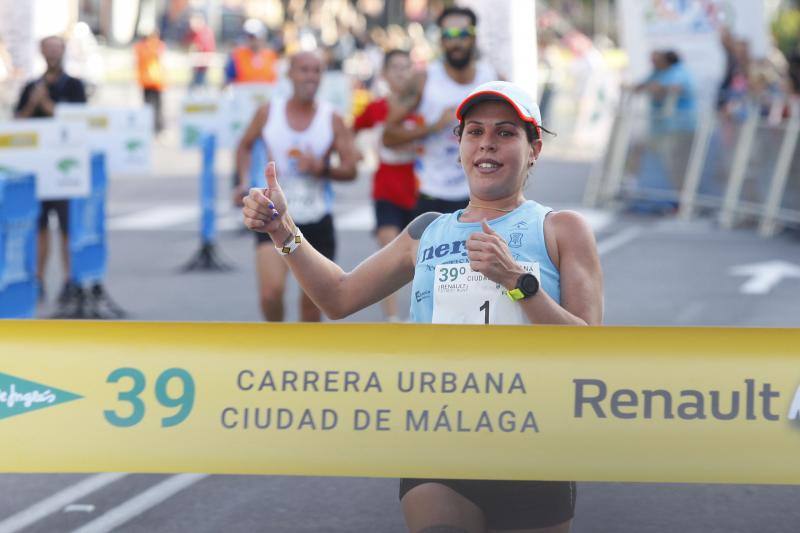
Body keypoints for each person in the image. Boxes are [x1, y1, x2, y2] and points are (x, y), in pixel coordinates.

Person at [242, 80, 603, 532]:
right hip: (440, 435)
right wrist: (283, 231)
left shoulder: (562, 229)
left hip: (533, 440)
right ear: (459, 148)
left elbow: (590, 350)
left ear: (534, 151)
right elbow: (338, 296)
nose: (487, 143)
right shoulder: (426, 231)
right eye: (475, 132)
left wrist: (517, 283)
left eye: (506, 133)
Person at [235, 51, 358, 322]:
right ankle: (276, 349)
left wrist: (321, 168)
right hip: (274, 221)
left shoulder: (332, 119)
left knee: (312, 307)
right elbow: (244, 146)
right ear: (289, 73)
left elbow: (351, 169)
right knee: (270, 293)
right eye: (304, 70)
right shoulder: (269, 112)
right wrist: (242, 181)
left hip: (314, 224)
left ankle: (302, 362)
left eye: (316, 71)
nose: (310, 77)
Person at [383, 6, 497, 216]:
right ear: (441, 40)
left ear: (473, 37)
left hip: (479, 193)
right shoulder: (424, 79)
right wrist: (434, 127)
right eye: (448, 35)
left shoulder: (492, 79)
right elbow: (388, 137)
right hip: (432, 194)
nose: (456, 41)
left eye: (463, 34)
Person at [14, 35, 87, 304]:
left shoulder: (75, 86)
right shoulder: (31, 86)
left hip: (64, 172)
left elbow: (78, 123)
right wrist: (34, 103)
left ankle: (70, 280)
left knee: (68, 228)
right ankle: (39, 279)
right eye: (48, 50)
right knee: (39, 228)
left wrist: (47, 105)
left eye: (57, 49)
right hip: (37, 171)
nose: (52, 55)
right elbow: (16, 123)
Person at [353, 49, 422, 322]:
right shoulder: (377, 108)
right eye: (395, 67)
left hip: (419, 191)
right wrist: (353, 151)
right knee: (387, 258)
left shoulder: (421, 107)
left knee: (422, 260)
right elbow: (350, 129)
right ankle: (393, 320)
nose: (402, 73)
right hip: (386, 189)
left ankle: (420, 319)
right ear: (384, 74)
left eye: (407, 67)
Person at [224, 18, 279, 86]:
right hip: (242, 94)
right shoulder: (237, 55)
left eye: (254, 37)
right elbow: (229, 79)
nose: (253, 41)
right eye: (250, 37)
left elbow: (275, 79)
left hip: (266, 95)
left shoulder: (271, 56)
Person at [134, 31, 166, 132]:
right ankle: (156, 127)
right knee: (156, 106)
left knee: (150, 105)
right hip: (154, 80)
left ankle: (154, 126)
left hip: (148, 81)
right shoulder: (154, 46)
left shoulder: (140, 47)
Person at [185, 12, 216, 88]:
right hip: (196, 66)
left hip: (202, 66)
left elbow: (207, 49)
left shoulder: (205, 33)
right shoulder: (194, 33)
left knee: (200, 86)